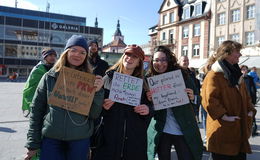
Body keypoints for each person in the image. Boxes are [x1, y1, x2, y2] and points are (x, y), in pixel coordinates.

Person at [24, 35, 104, 160]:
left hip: (79, 141)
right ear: (66, 52)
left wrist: (98, 92)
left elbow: (94, 114)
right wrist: (32, 143)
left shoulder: (90, 81)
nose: (77, 55)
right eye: (73, 50)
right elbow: (36, 110)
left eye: (82, 52)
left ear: (86, 56)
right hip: (51, 140)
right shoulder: (49, 77)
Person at [93, 44, 152, 160]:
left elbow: (152, 107)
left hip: (134, 142)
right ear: (123, 56)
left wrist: (148, 109)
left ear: (139, 62)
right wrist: (103, 107)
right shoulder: (108, 78)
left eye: (134, 57)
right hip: (109, 141)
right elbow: (94, 110)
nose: (129, 58)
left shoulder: (144, 84)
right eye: (127, 54)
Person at [201, 40, 256, 160]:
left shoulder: (236, 74)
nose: (240, 55)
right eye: (237, 52)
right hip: (223, 133)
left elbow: (246, 96)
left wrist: (250, 110)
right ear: (227, 54)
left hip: (239, 132)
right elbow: (209, 100)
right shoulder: (214, 75)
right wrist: (224, 116)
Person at [146, 46, 203, 160]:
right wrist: (148, 100)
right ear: (152, 62)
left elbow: (198, 98)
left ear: (169, 61)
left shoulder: (181, 75)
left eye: (163, 60)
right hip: (161, 130)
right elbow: (145, 107)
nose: (160, 63)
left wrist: (193, 97)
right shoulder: (149, 79)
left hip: (183, 128)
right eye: (156, 60)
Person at [22, 48, 57, 117]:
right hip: (40, 99)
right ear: (45, 57)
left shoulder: (56, 68)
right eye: (50, 55)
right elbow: (31, 87)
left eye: (54, 55)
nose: (53, 57)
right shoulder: (38, 69)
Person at [178, 56, 201, 123]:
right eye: (184, 61)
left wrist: (194, 97)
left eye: (187, 60)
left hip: (191, 108)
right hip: (180, 107)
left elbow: (196, 90)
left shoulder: (191, 74)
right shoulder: (175, 74)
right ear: (179, 62)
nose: (186, 62)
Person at [241, 65, 258, 136]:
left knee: (251, 116)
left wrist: (253, 101)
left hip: (249, 100)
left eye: (246, 70)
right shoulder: (238, 79)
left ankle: (253, 130)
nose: (245, 71)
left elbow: (253, 90)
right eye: (243, 70)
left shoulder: (250, 78)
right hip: (241, 100)